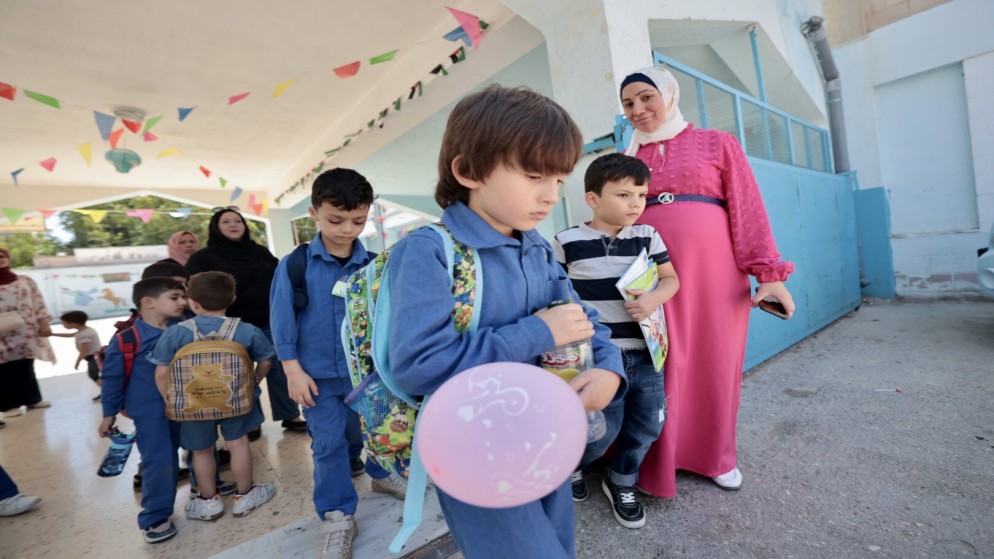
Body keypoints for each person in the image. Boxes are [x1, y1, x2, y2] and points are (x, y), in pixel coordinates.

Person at [386, 85, 626, 559]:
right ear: (468, 171)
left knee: (558, 543)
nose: (550, 195)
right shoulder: (429, 250)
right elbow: (417, 364)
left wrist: (610, 370)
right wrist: (539, 333)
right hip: (471, 449)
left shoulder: (535, 245)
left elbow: (581, 319)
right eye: (535, 175)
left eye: (559, 180)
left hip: (544, 433)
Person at [618, 66, 796, 497]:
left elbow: (747, 207)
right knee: (658, 361)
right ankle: (652, 459)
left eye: (646, 97)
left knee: (715, 360)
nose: (639, 110)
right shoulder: (627, 159)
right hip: (649, 271)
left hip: (714, 268)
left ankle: (715, 456)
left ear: (670, 96)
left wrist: (768, 274)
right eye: (628, 104)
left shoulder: (717, 142)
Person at [269, 168, 407, 554]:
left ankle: (381, 475)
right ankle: (336, 514)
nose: (348, 229)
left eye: (358, 220)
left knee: (378, 433)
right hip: (317, 378)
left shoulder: (378, 264)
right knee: (328, 444)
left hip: (369, 375)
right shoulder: (295, 265)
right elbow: (282, 323)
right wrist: (292, 371)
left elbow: (389, 317)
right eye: (336, 219)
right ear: (314, 212)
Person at [552, 152, 679, 529]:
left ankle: (622, 480)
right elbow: (555, 294)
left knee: (648, 424)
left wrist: (654, 298)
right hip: (597, 357)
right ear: (593, 199)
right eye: (624, 195)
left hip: (644, 354)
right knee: (597, 429)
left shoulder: (647, 236)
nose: (636, 203)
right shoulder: (567, 241)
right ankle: (573, 466)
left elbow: (671, 279)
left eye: (641, 195)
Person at [151, 271, 276, 520]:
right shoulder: (247, 330)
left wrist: (169, 398)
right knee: (238, 443)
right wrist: (252, 383)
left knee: (201, 451)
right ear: (233, 298)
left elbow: (161, 372)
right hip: (237, 401)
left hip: (193, 405)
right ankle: (245, 495)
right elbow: (265, 361)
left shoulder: (176, 333)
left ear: (192, 302)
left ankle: (209, 501)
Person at [186, 208, 305, 435]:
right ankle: (251, 421)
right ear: (215, 227)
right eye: (226, 221)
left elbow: (280, 280)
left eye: (237, 220)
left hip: (268, 321)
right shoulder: (203, 258)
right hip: (228, 327)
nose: (233, 224)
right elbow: (194, 289)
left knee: (279, 367)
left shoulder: (259, 252)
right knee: (237, 371)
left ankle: (290, 414)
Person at [98, 277, 188, 544]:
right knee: (160, 460)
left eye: (183, 297)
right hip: (150, 411)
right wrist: (108, 413)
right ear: (148, 303)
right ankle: (156, 516)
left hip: (188, 405)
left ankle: (207, 491)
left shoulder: (184, 329)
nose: (182, 302)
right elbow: (112, 377)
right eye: (175, 297)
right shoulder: (127, 339)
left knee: (202, 447)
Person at [0, 247, 54, 418]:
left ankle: (32, 399)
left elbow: (38, 302)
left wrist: (44, 322)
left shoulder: (25, 280)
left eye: (2, 256)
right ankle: (9, 406)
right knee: (3, 369)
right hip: (1, 333)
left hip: (25, 330)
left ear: (8, 258)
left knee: (26, 366)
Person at [51, 310, 102, 399]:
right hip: (96, 356)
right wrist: (52, 334)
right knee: (95, 375)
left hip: (94, 357)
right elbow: (70, 335)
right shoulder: (85, 330)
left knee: (93, 375)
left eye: (64, 323)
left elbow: (84, 350)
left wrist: (77, 362)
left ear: (74, 323)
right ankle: (106, 391)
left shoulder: (84, 334)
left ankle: (107, 391)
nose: (63, 324)